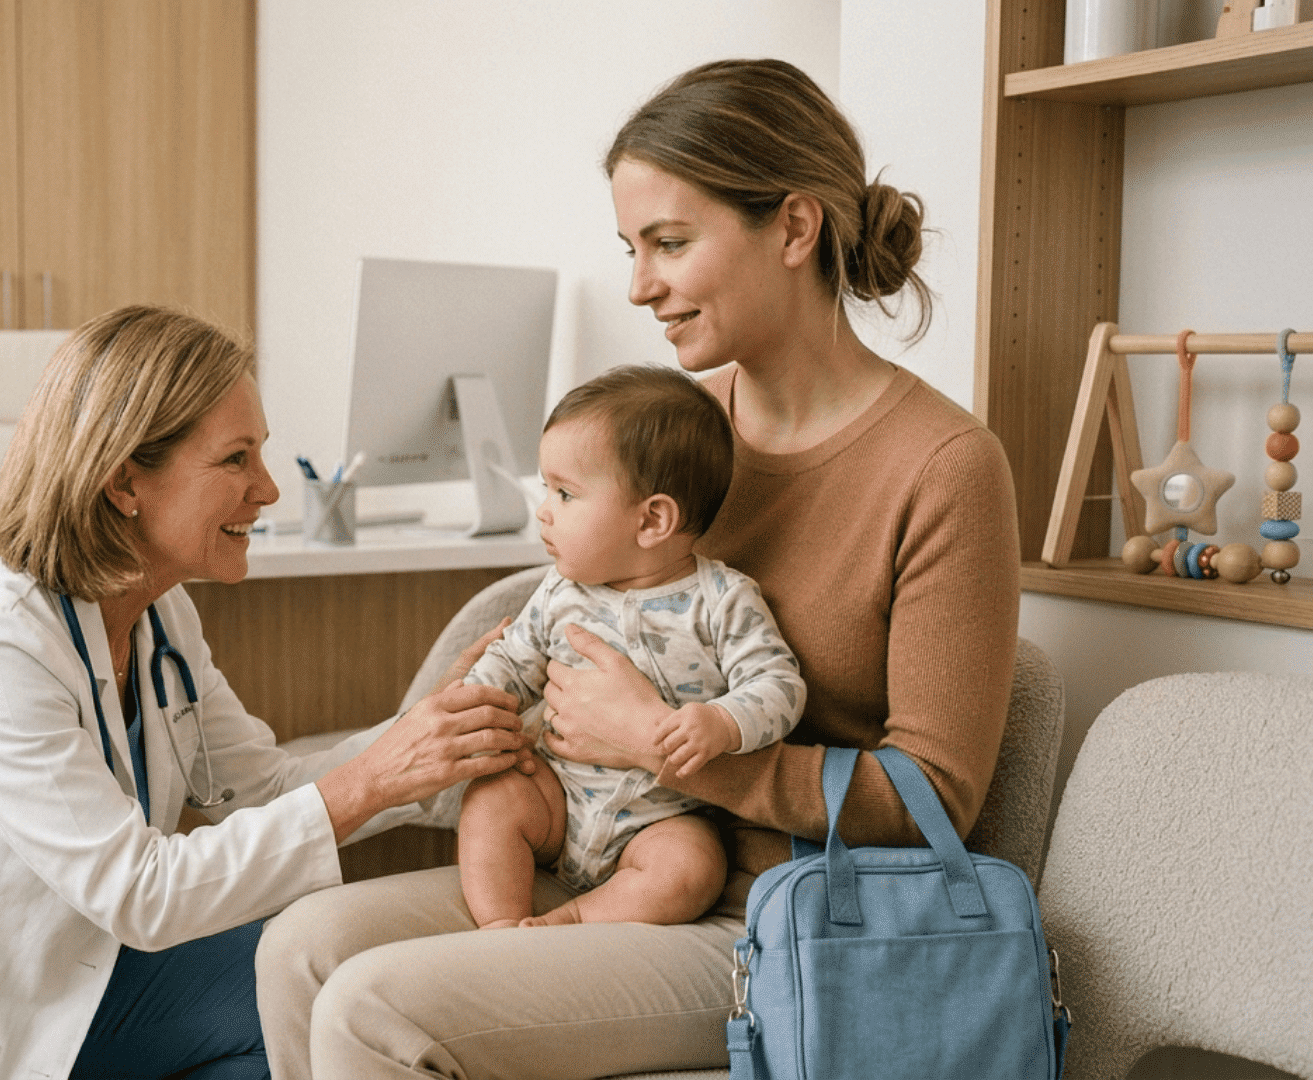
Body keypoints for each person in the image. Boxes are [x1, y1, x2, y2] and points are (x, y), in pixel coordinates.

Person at [256, 57, 1021, 1079]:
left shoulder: (943, 468)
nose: (637, 285)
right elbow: (576, 621)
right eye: (631, 247)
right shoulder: (676, 440)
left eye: (669, 242)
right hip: (589, 846)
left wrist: (672, 749)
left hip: (770, 914)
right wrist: (486, 712)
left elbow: (936, 797)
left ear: (793, 230)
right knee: (302, 950)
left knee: (375, 1009)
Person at [0, 305, 534, 1080]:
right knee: (299, 1002)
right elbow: (141, 893)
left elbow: (257, 786)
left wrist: (431, 737)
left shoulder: (160, 612)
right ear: (125, 482)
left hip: (71, 972)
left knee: (312, 1004)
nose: (268, 490)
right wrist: (376, 776)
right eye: (235, 460)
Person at [457, 366, 804, 930]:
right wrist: (471, 702)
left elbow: (780, 686)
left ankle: (571, 923)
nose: (544, 510)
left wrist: (721, 721)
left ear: (653, 520)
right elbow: (513, 662)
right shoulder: (559, 592)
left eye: (565, 493)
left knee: (692, 867)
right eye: (547, 489)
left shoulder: (722, 601)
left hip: (661, 818)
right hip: (557, 798)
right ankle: (500, 924)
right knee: (492, 799)